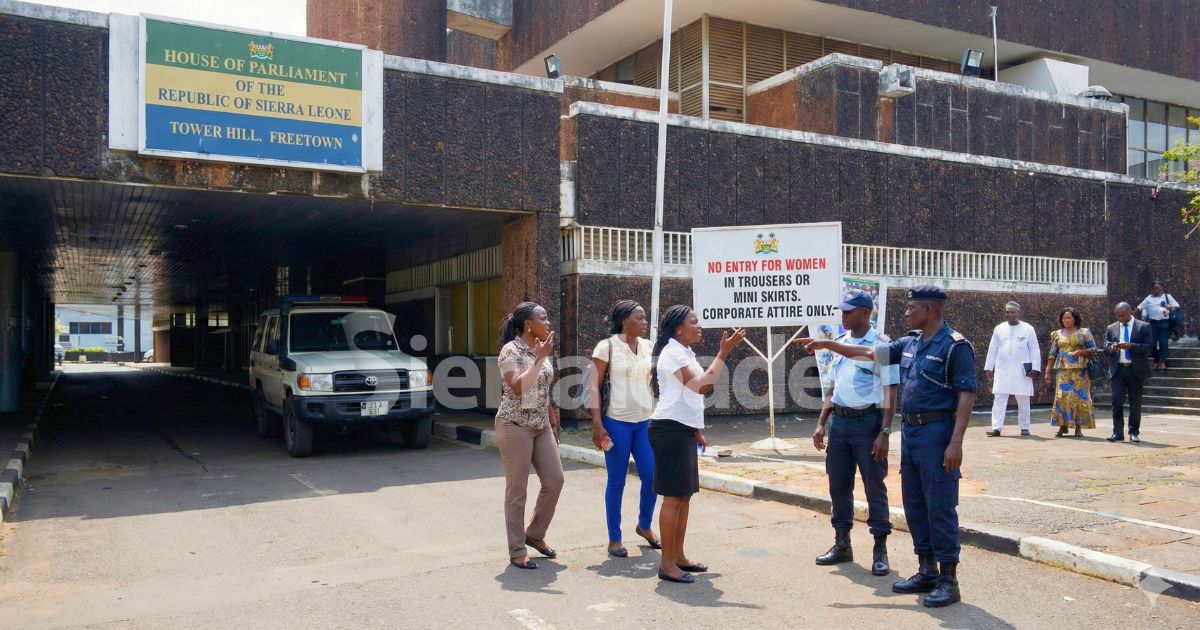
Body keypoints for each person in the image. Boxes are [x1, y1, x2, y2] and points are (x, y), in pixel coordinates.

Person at [799, 285, 975, 608]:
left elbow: (966, 395)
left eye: (912, 307)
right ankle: (927, 571)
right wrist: (828, 344)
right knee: (915, 504)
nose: (906, 312)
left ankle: (949, 580)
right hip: (912, 433)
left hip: (938, 433)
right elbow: (870, 354)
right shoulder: (909, 343)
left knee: (939, 506)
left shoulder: (955, 346)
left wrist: (956, 442)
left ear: (929, 310)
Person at [648, 305, 745, 584]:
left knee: (684, 496)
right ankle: (667, 564)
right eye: (694, 321)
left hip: (683, 430)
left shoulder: (685, 352)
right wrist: (723, 352)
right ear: (679, 328)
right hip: (669, 430)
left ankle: (678, 556)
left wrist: (696, 430)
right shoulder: (673, 353)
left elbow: (689, 396)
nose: (699, 325)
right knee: (673, 497)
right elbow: (701, 386)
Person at [811, 290, 898, 576]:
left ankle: (880, 549)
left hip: (868, 423)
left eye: (849, 311)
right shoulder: (842, 343)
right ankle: (842, 543)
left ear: (866, 312)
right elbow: (832, 387)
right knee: (838, 485)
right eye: (843, 311)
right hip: (840, 424)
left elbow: (890, 391)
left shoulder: (882, 345)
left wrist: (885, 431)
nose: (843, 315)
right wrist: (821, 423)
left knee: (874, 486)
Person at [586, 300, 660, 558]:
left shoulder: (649, 346)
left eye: (645, 318)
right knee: (617, 481)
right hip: (616, 423)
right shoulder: (606, 346)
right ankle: (614, 538)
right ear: (624, 321)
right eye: (639, 318)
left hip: (645, 423)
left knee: (652, 475)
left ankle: (644, 525)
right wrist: (597, 424)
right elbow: (594, 386)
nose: (644, 322)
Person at [495, 302, 563, 570]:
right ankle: (517, 550)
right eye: (543, 318)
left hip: (540, 424)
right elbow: (517, 386)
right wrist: (539, 359)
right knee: (517, 490)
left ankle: (534, 533)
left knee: (555, 480)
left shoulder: (541, 348)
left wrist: (552, 419)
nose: (548, 322)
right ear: (528, 324)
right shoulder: (510, 350)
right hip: (514, 425)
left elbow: (542, 387)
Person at [984, 301, 1041, 437]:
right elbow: (992, 349)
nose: (1010, 314)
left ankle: (1025, 427)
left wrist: (1035, 368)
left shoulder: (1028, 328)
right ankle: (996, 428)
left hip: (1022, 370)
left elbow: (1034, 349)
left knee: (1023, 399)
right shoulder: (999, 328)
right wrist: (989, 368)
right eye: (1007, 312)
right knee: (999, 398)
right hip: (1002, 369)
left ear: (1018, 313)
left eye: (1012, 312)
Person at [1043, 307, 1097, 438]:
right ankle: (1063, 426)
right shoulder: (1057, 334)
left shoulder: (1084, 332)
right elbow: (1052, 353)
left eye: (1069, 318)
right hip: (1063, 371)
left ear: (1075, 319)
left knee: (1080, 398)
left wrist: (1081, 352)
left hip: (1080, 371)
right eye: (1064, 318)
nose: (1066, 320)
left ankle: (1078, 428)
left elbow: (1093, 349)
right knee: (1062, 397)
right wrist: (1048, 371)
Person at [1103, 302, 1153, 443]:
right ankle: (1117, 432)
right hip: (1118, 370)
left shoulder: (1144, 326)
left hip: (1135, 370)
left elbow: (1149, 347)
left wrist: (1132, 346)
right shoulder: (1111, 328)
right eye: (1118, 316)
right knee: (1116, 401)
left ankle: (1133, 432)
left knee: (1135, 402)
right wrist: (1112, 348)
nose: (1120, 318)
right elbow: (1105, 348)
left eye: (1123, 316)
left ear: (1130, 312)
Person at [1136, 281, 1180, 371]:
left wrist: (1170, 307)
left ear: (1161, 288)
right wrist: (1137, 312)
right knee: (1152, 342)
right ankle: (1156, 359)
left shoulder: (1167, 296)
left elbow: (1177, 305)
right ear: (1152, 289)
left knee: (1163, 342)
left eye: (1158, 288)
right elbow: (1140, 306)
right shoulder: (1149, 298)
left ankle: (1163, 361)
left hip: (1164, 323)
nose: (1156, 290)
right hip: (1153, 323)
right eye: (1154, 288)